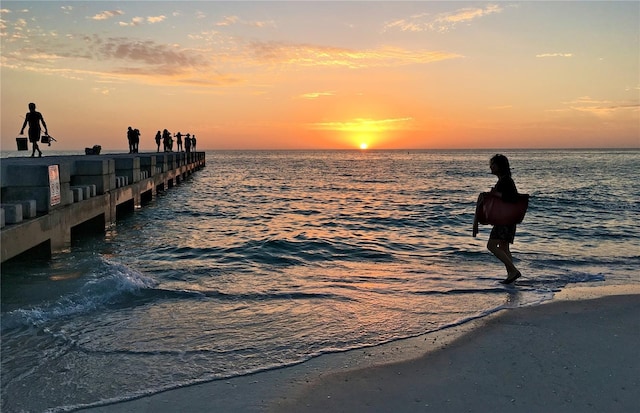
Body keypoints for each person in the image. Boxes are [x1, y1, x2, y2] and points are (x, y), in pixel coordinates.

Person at [474, 154, 522, 284]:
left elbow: (510, 198)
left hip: (505, 219)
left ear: (500, 166)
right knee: (504, 247)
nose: (491, 167)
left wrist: (492, 194)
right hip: (509, 219)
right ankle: (511, 276)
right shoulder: (505, 180)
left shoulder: (505, 181)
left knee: (491, 245)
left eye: (493, 164)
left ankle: (514, 271)